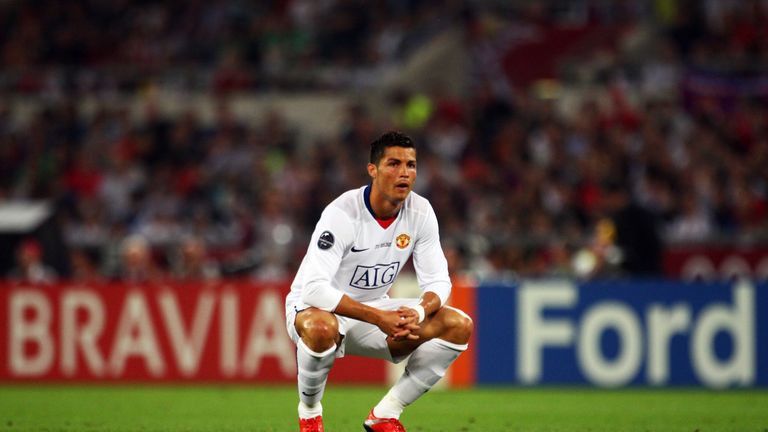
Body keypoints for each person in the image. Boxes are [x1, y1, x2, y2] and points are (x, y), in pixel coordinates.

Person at [285, 131, 473, 432]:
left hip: (375, 312)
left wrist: (419, 312)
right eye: (393, 164)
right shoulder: (342, 214)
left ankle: (385, 414)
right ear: (372, 170)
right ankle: (310, 415)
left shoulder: (421, 212)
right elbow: (314, 289)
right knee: (322, 328)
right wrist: (379, 317)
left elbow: (439, 281)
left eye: (411, 165)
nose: (404, 173)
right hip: (315, 310)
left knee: (458, 325)